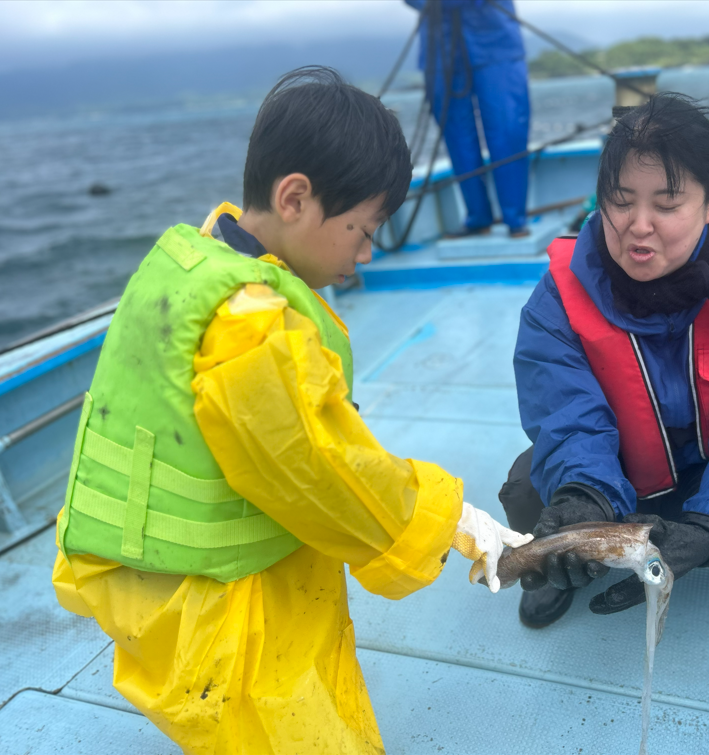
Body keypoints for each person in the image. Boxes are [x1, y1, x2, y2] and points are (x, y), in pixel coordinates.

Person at [51, 67, 530, 755]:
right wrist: (454, 519)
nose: (364, 255)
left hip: (149, 574)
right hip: (216, 604)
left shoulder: (189, 259)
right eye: (362, 229)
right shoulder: (249, 328)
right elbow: (317, 470)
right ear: (296, 197)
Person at [501, 93, 709, 636]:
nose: (638, 224)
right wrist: (582, 494)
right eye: (620, 199)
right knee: (527, 496)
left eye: (667, 203)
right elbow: (564, 410)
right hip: (617, 475)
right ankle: (566, 567)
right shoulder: (557, 297)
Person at [405, 0, 531, 237]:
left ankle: (515, 218)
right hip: (439, 43)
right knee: (456, 135)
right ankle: (477, 217)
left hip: (495, 39)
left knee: (508, 129)